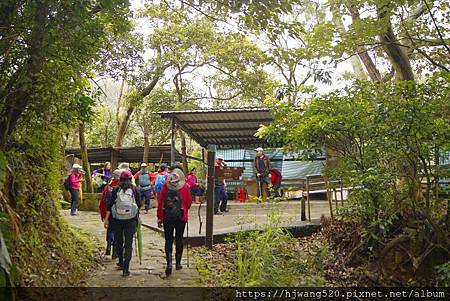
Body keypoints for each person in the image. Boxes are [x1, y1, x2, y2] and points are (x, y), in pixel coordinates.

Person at [103, 170, 141, 277]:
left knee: (118, 243)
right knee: (128, 244)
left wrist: (106, 219)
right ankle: (126, 269)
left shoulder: (115, 190)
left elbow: (110, 205)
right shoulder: (134, 189)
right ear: (130, 179)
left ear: (120, 179)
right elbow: (139, 204)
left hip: (117, 221)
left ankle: (120, 260)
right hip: (131, 221)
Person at [157, 167, 192, 276]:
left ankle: (169, 264)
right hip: (181, 217)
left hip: (167, 217)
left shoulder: (165, 186)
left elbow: (161, 203)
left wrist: (159, 217)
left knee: (168, 240)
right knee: (179, 239)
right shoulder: (185, 187)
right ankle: (178, 263)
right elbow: (189, 203)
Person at [99, 169, 121, 257]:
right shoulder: (123, 187)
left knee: (110, 229)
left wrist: (104, 217)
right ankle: (115, 251)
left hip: (109, 213)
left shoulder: (107, 188)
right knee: (118, 232)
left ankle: (109, 245)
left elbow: (102, 203)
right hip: (120, 213)